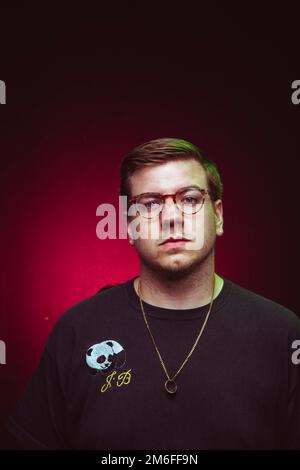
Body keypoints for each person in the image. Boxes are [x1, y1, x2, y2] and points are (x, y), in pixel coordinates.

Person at [7, 138, 300, 450]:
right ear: (130, 226)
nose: (171, 217)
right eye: (149, 204)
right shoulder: (77, 330)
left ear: (219, 217)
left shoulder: (281, 334)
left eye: (189, 199)